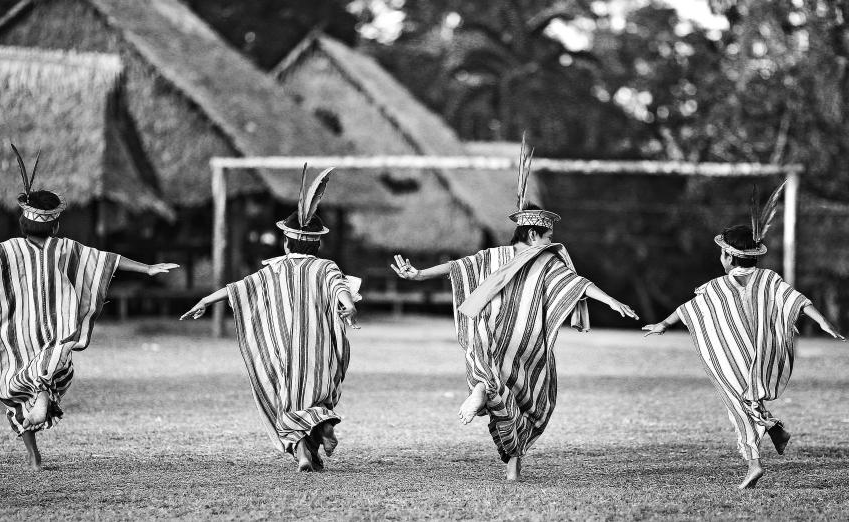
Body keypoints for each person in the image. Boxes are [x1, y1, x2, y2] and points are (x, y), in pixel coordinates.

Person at [0, 145, 178, 471]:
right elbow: (106, 260)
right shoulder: (66, 249)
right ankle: (42, 396)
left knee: (17, 391)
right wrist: (147, 268)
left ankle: (34, 451)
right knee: (54, 370)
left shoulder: (9, 249)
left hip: (17, 334)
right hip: (57, 333)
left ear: (22, 224)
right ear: (55, 226)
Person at [392, 141, 638, 481]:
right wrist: (610, 300)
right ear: (535, 232)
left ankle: (483, 392)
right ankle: (513, 460)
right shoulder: (546, 259)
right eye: (549, 233)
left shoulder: (491, 255)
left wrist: (418, 274)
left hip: (488, 341)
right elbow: (577, 284)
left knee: (492, 387)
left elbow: (455, 267)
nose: (552, 239)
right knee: (534, 399)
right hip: (526, 345)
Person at [643, 182, 844, 489]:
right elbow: (798, 301)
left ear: (728, 256)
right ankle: (774, 428)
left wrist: (662, 324)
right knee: (749, 399)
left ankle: (753, 462)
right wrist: (825, 323)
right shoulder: (769, 278)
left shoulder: (715, 287)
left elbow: (687, 310)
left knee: (737, 405)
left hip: (734, 360)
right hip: (763, 356)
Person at [181, 165, 359, 473]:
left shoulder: (274, 269)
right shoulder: (325, 266)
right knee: (320, 393)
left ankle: (303, 454)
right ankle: (326, 426)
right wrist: (349, 307)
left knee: (287, 401)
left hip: (284, 353)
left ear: (287, 243)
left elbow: (238, 287)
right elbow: (340, 287)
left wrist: (205, 300)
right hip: (318, 351)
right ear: (316, 244)